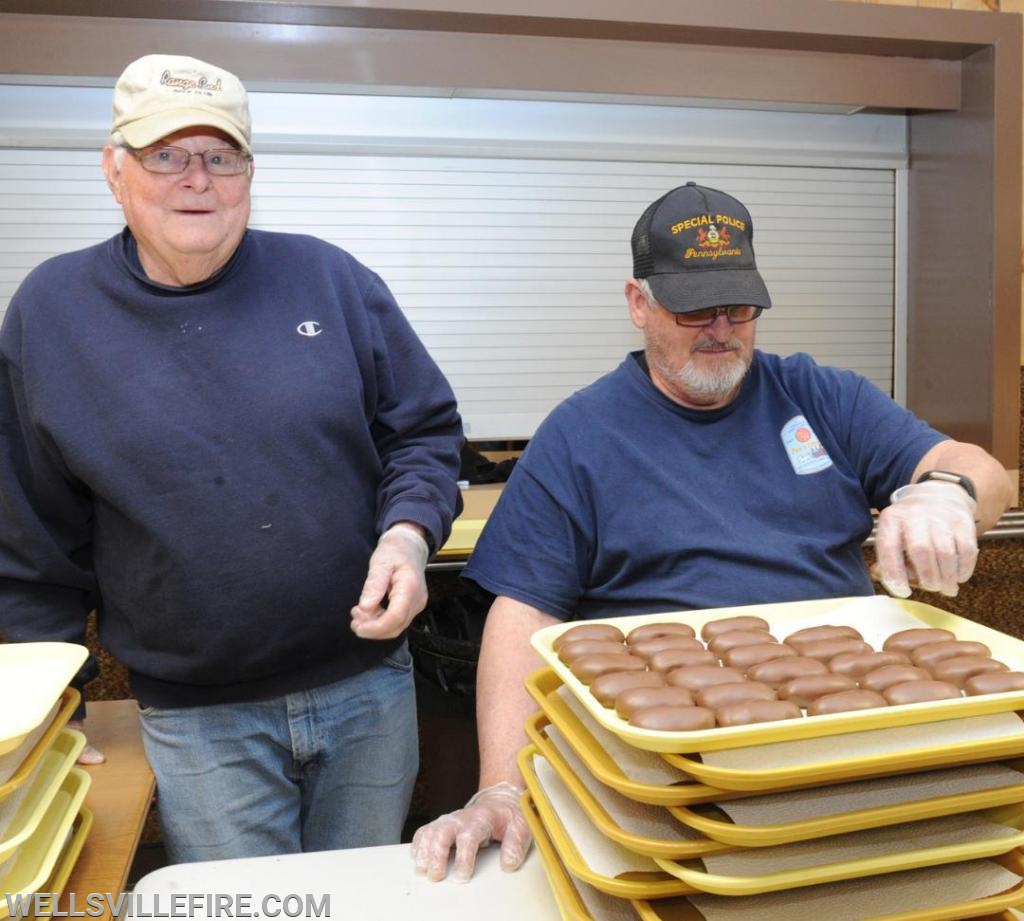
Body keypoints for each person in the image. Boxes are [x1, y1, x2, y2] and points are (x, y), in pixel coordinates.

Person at [410, 181, 1014, 881]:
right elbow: (524, 612)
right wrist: (503, 786)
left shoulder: (820, 397)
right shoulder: (582, 435)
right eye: (695, 308)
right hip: (668, 766)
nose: (721, 328)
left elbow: (983, 472)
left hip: (847, 741)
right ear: (639, 304)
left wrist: (946, 491)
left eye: (739, 306)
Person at [0, 53, 464, 863]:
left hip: (370, 691)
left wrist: (409, 534)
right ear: (115, 170)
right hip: (199, 720)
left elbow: (423, 431)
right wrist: (52, 705)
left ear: (249, 171)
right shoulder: (51, 313)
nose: (196, 180)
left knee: (362, 906)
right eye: (166, 155)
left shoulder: (330, 280)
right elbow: (32, 531)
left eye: (221, 156)